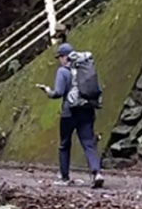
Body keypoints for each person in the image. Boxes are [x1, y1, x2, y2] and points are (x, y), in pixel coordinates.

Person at [42, 38, 105, 187]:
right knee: (89, 143)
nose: (60, 60)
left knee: (64, 144)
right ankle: (97, 173)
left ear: (64, 57)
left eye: (60, 57)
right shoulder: (85, 68)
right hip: (87, 109)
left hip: (69, 112)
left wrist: (47, 91)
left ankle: (64, 177)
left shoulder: (63, 71)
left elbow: (58, 93)